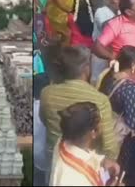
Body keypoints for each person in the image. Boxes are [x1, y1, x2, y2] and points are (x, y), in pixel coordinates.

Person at [40, 45, 120, 184]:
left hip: (55, 155)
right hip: (84, 164)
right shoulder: (100, 100)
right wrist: (107, 163)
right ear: (86, 69)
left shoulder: (47, 94)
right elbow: (109, 146)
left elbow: (44, 119)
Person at [97, 46, 135, 186]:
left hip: (105, 128)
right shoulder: (130, 88)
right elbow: (134, 123)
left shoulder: (108, 75)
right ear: (133, 66)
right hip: (122, 142)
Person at [49, 102, 123, 186]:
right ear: (94, 132)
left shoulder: (64, 141)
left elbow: (85, 154)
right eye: (101, 122)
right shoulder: (71, 180)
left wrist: (102, 161)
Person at [90, 0, 121, 84]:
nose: (121, 0)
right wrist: (123, 16)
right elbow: (106, 27)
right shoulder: (101, 11)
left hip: (115, 53)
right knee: (98, 79)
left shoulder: (119, 12)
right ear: (109, 0)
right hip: (101, 53)